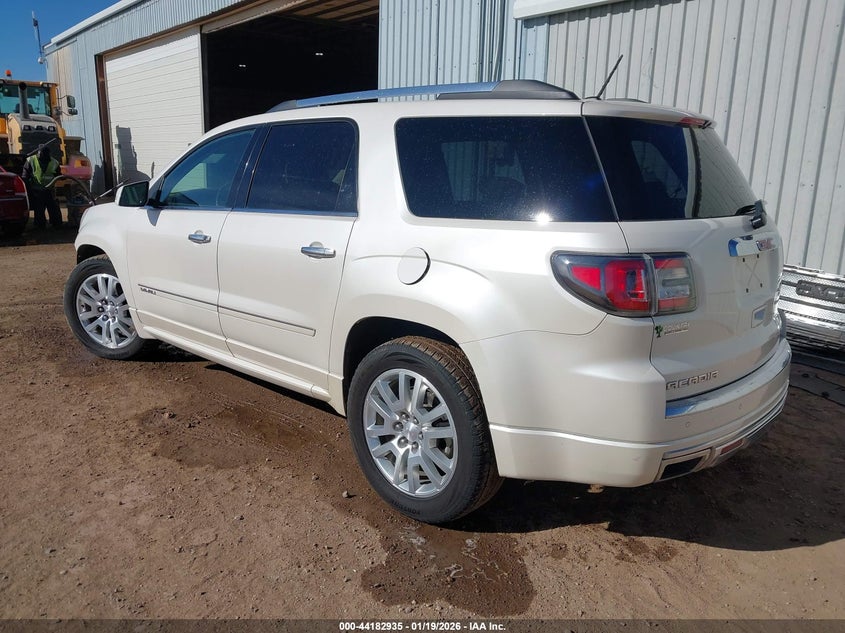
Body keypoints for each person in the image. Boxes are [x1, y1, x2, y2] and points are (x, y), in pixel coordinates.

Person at [22, 145, 62, 229]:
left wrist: (61, 177)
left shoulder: (54, 162)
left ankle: (56, 224)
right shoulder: (31, 160)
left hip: (50, 190)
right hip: (36, 191)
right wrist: (29, 189)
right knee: (39, 210)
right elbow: (25, 176)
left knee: (53, 208)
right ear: (39, 154)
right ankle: (40, 225)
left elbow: (58, 175)